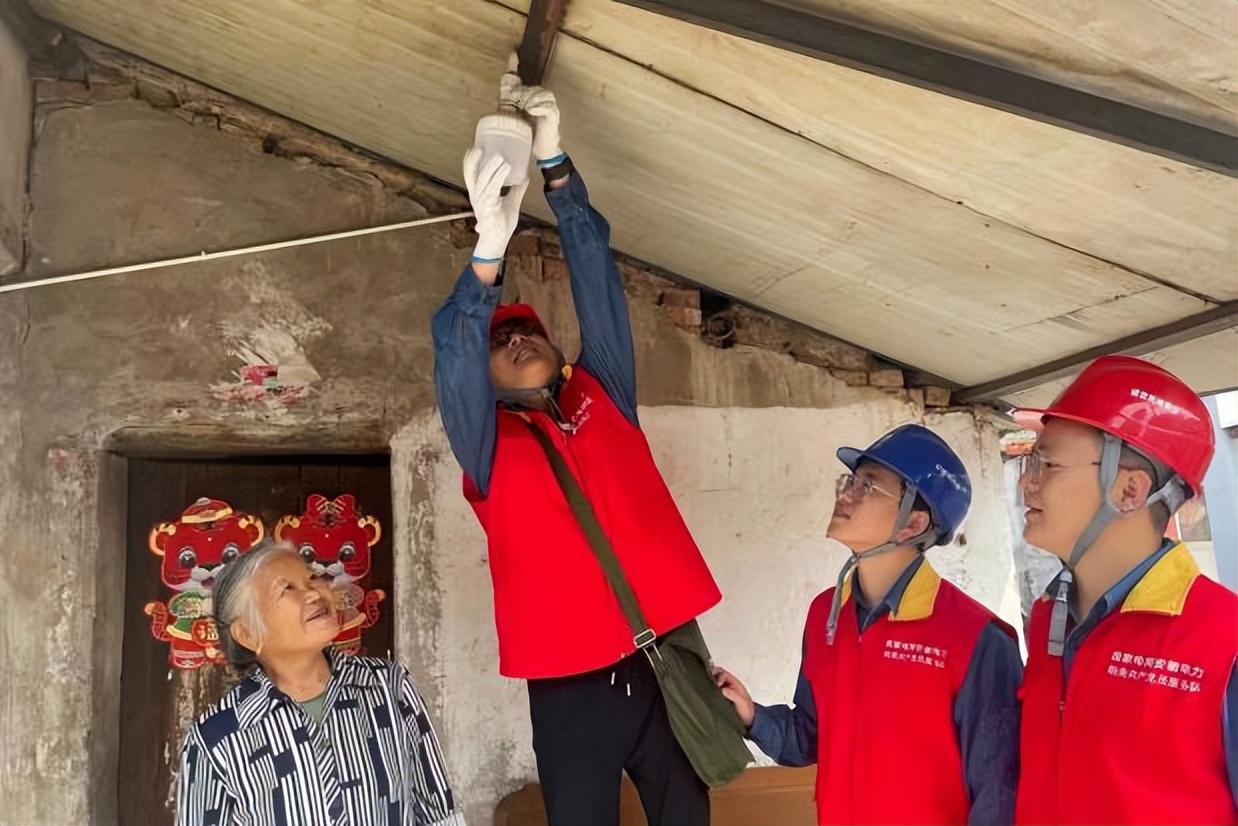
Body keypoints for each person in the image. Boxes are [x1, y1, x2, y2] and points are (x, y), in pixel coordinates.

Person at [430, 69, 721, 826]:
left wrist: (557, 168)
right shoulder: (484, 442)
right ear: (485, 381)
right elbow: (452, 345)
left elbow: (596, 275)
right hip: (568, 683)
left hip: (663, 657)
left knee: (687, 815)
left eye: (528, 328)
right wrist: (486, 254)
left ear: (559, 352)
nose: (516, 334)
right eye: (501, 339)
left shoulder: (604, 395)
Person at [714, 424, 1022, 825]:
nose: (845, 495)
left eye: (868, 487)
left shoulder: (977, 639)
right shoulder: (827, 614)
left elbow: (998, 796)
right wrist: (752, 715)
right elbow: (811, 735)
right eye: (849, 481)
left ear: (913, 523)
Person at [1013, 355, 1238, 824]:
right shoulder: (1051, 621)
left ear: (1130, 491)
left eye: (1046, 463)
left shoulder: (1225, 642)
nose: (1026, 485)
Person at [174, 540, 463, 826]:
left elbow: (438, 813)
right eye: (287, 589)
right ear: (248, 634)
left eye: (312, 577)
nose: (314, 591)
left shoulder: (387, 686)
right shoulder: (216, 738)